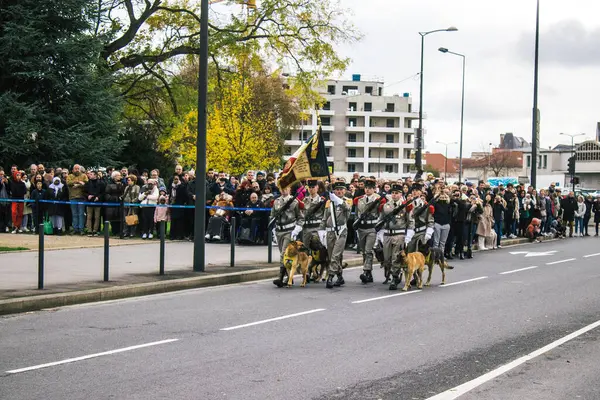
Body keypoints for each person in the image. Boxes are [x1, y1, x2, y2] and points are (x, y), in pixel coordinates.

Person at [380, 184, 415, 291]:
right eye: (393, 193)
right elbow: (380, 220)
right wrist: (380, 233)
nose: (394, 195)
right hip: (387, 234)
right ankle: (394, 273)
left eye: (397, 193)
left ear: (401, 194)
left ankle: (395, 278)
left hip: (399, 234)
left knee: (396, 257)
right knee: (387, 258)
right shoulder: (385, 206)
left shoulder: (406, 206)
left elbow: (410, 221)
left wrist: (408, 235)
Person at [319, 180, 352, 289]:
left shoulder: (347, 201)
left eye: (341, 190)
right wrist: (321, 231)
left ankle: (330, 276)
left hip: (341, 232)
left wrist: (337, 200)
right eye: (337, 190)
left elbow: (347, 209)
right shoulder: (329, 203)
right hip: (330, 232)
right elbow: (325, 218)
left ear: (344, 191)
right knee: (331, 255)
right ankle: (340, 276)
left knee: (335, 255)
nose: (339, 191)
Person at [271, 185, 304, 287]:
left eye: (286, 188)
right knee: (284, 254)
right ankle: (289, 277)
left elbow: (300, 217)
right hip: (279, 231)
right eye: (282, 188)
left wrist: (297, 229)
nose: (284, 190)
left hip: (289, 231)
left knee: (283, 254)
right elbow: (272, 215)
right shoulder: (276, 201)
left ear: (290, 189)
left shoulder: (294, 202)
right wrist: (273, 228)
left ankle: (280, 277)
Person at [355, 178, 384, 284]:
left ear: (374, 189)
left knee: (368, 250)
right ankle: (369, 272)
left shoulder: (379, 199)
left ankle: (366, 271)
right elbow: (357, 214)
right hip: (361, 228)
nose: (367, 190)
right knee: (364, 252)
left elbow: (381, 214)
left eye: (370, 188)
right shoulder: (359, 200)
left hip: (372, 228)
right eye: (366, 188)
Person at [66, 164, 88, 235]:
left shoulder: (84, 175)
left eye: (78, 168)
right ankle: (75, 229)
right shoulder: (70, 176)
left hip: (81, 198)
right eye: (75, 169)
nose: (77, 170)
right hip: (72, 198)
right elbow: (68, 182)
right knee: (74, 214)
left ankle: (81, 229)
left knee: (81, 214)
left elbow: (86, 183)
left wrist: (77, 185)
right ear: (73, 170)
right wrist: (78, 182)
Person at [84, 170, 105, 237]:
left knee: (97, 217)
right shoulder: (87, 183)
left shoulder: (101, 183)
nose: (89, 175)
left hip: (97, 202)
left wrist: (98, 197)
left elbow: (103, 192)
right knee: (89, 217)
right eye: (89, 174)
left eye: (91, 174)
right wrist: (88, 196)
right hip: (89, 202)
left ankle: (95, 230)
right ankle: (89, 230)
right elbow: (84, 192)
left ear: (95, 175)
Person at [104, 171, 125, 236]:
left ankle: (120, 231)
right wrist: (115, 198)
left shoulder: (123, 184)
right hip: (112, 204)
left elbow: (124, 192)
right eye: (117, 175)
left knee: (120, 218)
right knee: (113, 218)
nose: (119, 176)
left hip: (120, 204)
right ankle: (114, 231)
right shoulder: (109, 184)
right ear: (114, 177)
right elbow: (107, 194)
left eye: (119, 175)